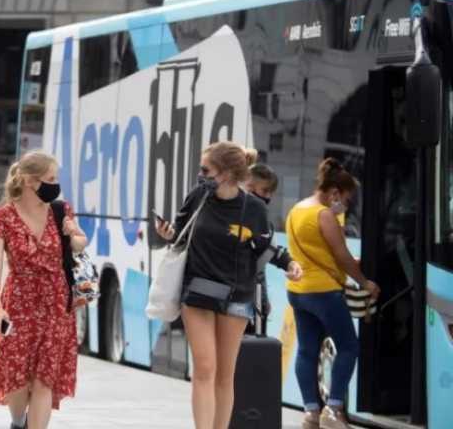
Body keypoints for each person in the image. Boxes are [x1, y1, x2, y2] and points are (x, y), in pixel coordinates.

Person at [155, 142, 299, 429]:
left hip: (236, 295)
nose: (201, 175)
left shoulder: (254, 208)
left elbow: (264, 245)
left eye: (206, 169)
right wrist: (167, 233)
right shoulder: (198, 197)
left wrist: (290, 264)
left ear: (227, 173)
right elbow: (180, 236)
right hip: (196, 290)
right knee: (205, 368)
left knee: (225, 374)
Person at [0, 151, 87, 429]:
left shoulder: (60, 211)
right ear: (30, 181)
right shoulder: (3, 217)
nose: (55, 184)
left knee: (44, 378)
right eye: (50, 179)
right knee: (16, 373)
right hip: (17, 303)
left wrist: (74, 234)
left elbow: (79, 244)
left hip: (56, 302)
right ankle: (18, 422)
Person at [285, 158, 379, 429]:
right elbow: (341, 255)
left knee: (306, 351)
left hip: (298, 291)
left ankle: (311, 413)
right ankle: (334, 408)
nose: (346, 205)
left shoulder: (297, 210)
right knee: (349, 346)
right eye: (346, 199)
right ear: (335, 192)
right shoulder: (324, 214)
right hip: (324, 291)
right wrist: (364, 283)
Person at [245, 164, 303, 327]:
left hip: (252, 299)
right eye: (264, 191)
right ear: (249, 186)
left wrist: (263, 299)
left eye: (271, 192)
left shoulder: (262, 220)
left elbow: (266, 253)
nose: (268, 197)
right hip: (236, 300)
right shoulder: (233, 214)